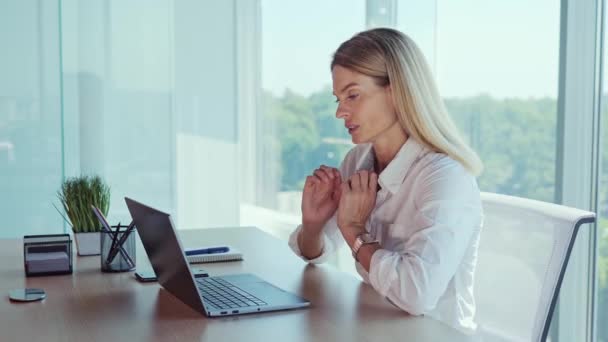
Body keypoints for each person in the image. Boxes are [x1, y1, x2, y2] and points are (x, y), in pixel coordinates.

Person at [287, 28, 484, 334]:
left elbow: (417, 295)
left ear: (397, 91)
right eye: (338, 99)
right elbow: (316, 253)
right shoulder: (359, 160)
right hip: (375, 327)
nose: (340, 112)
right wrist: (313, 225)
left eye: (353, 95)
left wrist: (354, 231)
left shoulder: (445, 176)